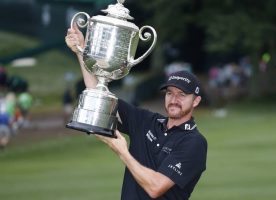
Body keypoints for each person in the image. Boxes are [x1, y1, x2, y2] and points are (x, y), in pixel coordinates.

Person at [65, 25, 207, 199]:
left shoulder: (194, 143)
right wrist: (81, 51)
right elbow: (98, 94)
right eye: (170, 93)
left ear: (196, 101)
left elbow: (156, 187)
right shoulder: (146, 121)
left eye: (182, 95)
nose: (174, 99)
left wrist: (122, 152)